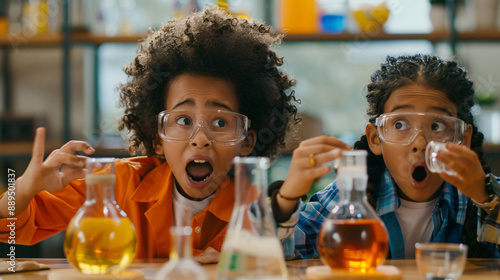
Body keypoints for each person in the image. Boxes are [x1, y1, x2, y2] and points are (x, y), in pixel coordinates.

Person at [0, 6, 299, 262]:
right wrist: (25, 188)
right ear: (157, 137)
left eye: (220, 123)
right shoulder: (113, 185)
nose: (200, 138)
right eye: (182, 119)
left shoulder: (254, 207)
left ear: (246, 141)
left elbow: (283, 257)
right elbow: (11, 229)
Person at [274, 54, 500, 259]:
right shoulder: (351, 199)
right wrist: (286, 199)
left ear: (463, 139)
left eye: (437, 125)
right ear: (375, 138)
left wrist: (486, 198)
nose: (420, 143)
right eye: (400, 124)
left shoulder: (482, 196)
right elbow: (273, 252)